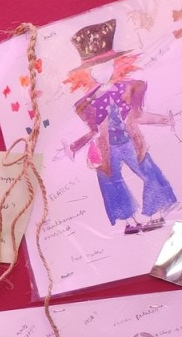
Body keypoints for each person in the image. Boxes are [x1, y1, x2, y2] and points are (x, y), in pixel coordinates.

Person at [59, 20, 177, 234]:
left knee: (148, 171)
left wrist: (164, 120)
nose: (100, 71)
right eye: (93, 67)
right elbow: (94, 130)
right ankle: (130, 222)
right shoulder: (86, 103)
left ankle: (157, 214)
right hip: (107, 148)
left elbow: (137, 116)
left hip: (131, 142)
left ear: (115, 63)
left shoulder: (129, 88)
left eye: (106, 64)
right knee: (110, 181)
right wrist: (75, 146)